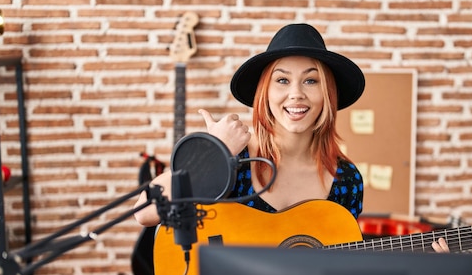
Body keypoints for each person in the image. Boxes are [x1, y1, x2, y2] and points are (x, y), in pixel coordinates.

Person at [134, 23, 449, 252]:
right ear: (266, 93)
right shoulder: (235, 156)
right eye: (282, 80)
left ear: (327, 93)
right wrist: (214, 153)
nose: (296, 94)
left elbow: (340, 265)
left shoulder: (346, 179)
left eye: (311, 81)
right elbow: (144, 213)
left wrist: (423, 265)